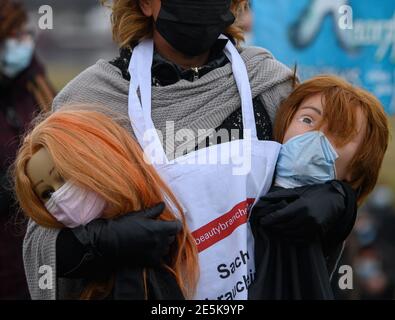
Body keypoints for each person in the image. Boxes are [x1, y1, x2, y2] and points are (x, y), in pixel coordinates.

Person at [23, 0, 357, 300]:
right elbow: (40, 240)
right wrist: (100, 244)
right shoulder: (91, 100)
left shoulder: (270, 84)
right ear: (144, 4)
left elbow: (320, 176)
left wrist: (339, 203)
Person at [14, 107, 198, 300]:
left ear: (95, 161)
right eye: (47, 193)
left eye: (62, 176)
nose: (59, 197)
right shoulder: (74, 273)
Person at [249, 75, 389, 299]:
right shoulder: (241, 189)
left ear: (356, 170)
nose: (316, 136)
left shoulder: (324, 223)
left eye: (340, 134)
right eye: (307, 120)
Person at [0, 0, 55, 299]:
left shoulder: (36, 84)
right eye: (12, 35)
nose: (22, 43)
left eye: (24, 34)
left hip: (38, 251)